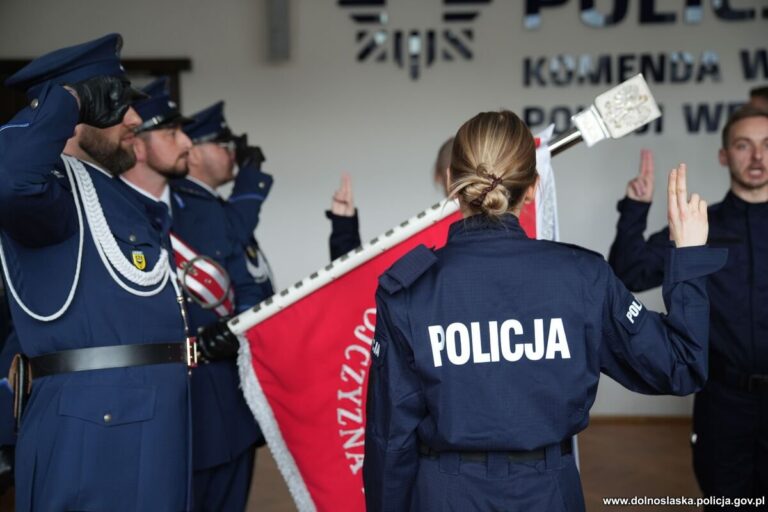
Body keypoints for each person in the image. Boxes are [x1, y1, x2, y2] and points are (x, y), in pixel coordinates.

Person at [363, 110, 726, 512]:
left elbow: (389, 437)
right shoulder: (583, 277)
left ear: (452, 181)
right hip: (548, 494)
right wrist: (689, 258)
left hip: (445, 496)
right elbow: (681, 365)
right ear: (533, 188)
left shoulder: (409, 289)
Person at [0, 34, 194, 511]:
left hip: (149, 417)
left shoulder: (113, 193)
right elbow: (12, 182)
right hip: (98, 424)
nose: (133, 119)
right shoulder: (52, 196)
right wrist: (67, 100)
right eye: (115, 103)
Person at [609, 106, 768, 507]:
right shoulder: (698, 225)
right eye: (743, 145)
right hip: (724, 404)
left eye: (767, 145)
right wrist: (634, 209)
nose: (757, 157)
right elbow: (627, 274)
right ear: (724, 155)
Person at [178, 101, 274, 510]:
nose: (231, 152)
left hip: (230, 393)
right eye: (221, 143)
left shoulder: (212, 204)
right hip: (208, 391)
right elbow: (234, 233)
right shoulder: (185, 205)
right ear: (194, 152)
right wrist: (251, 180)